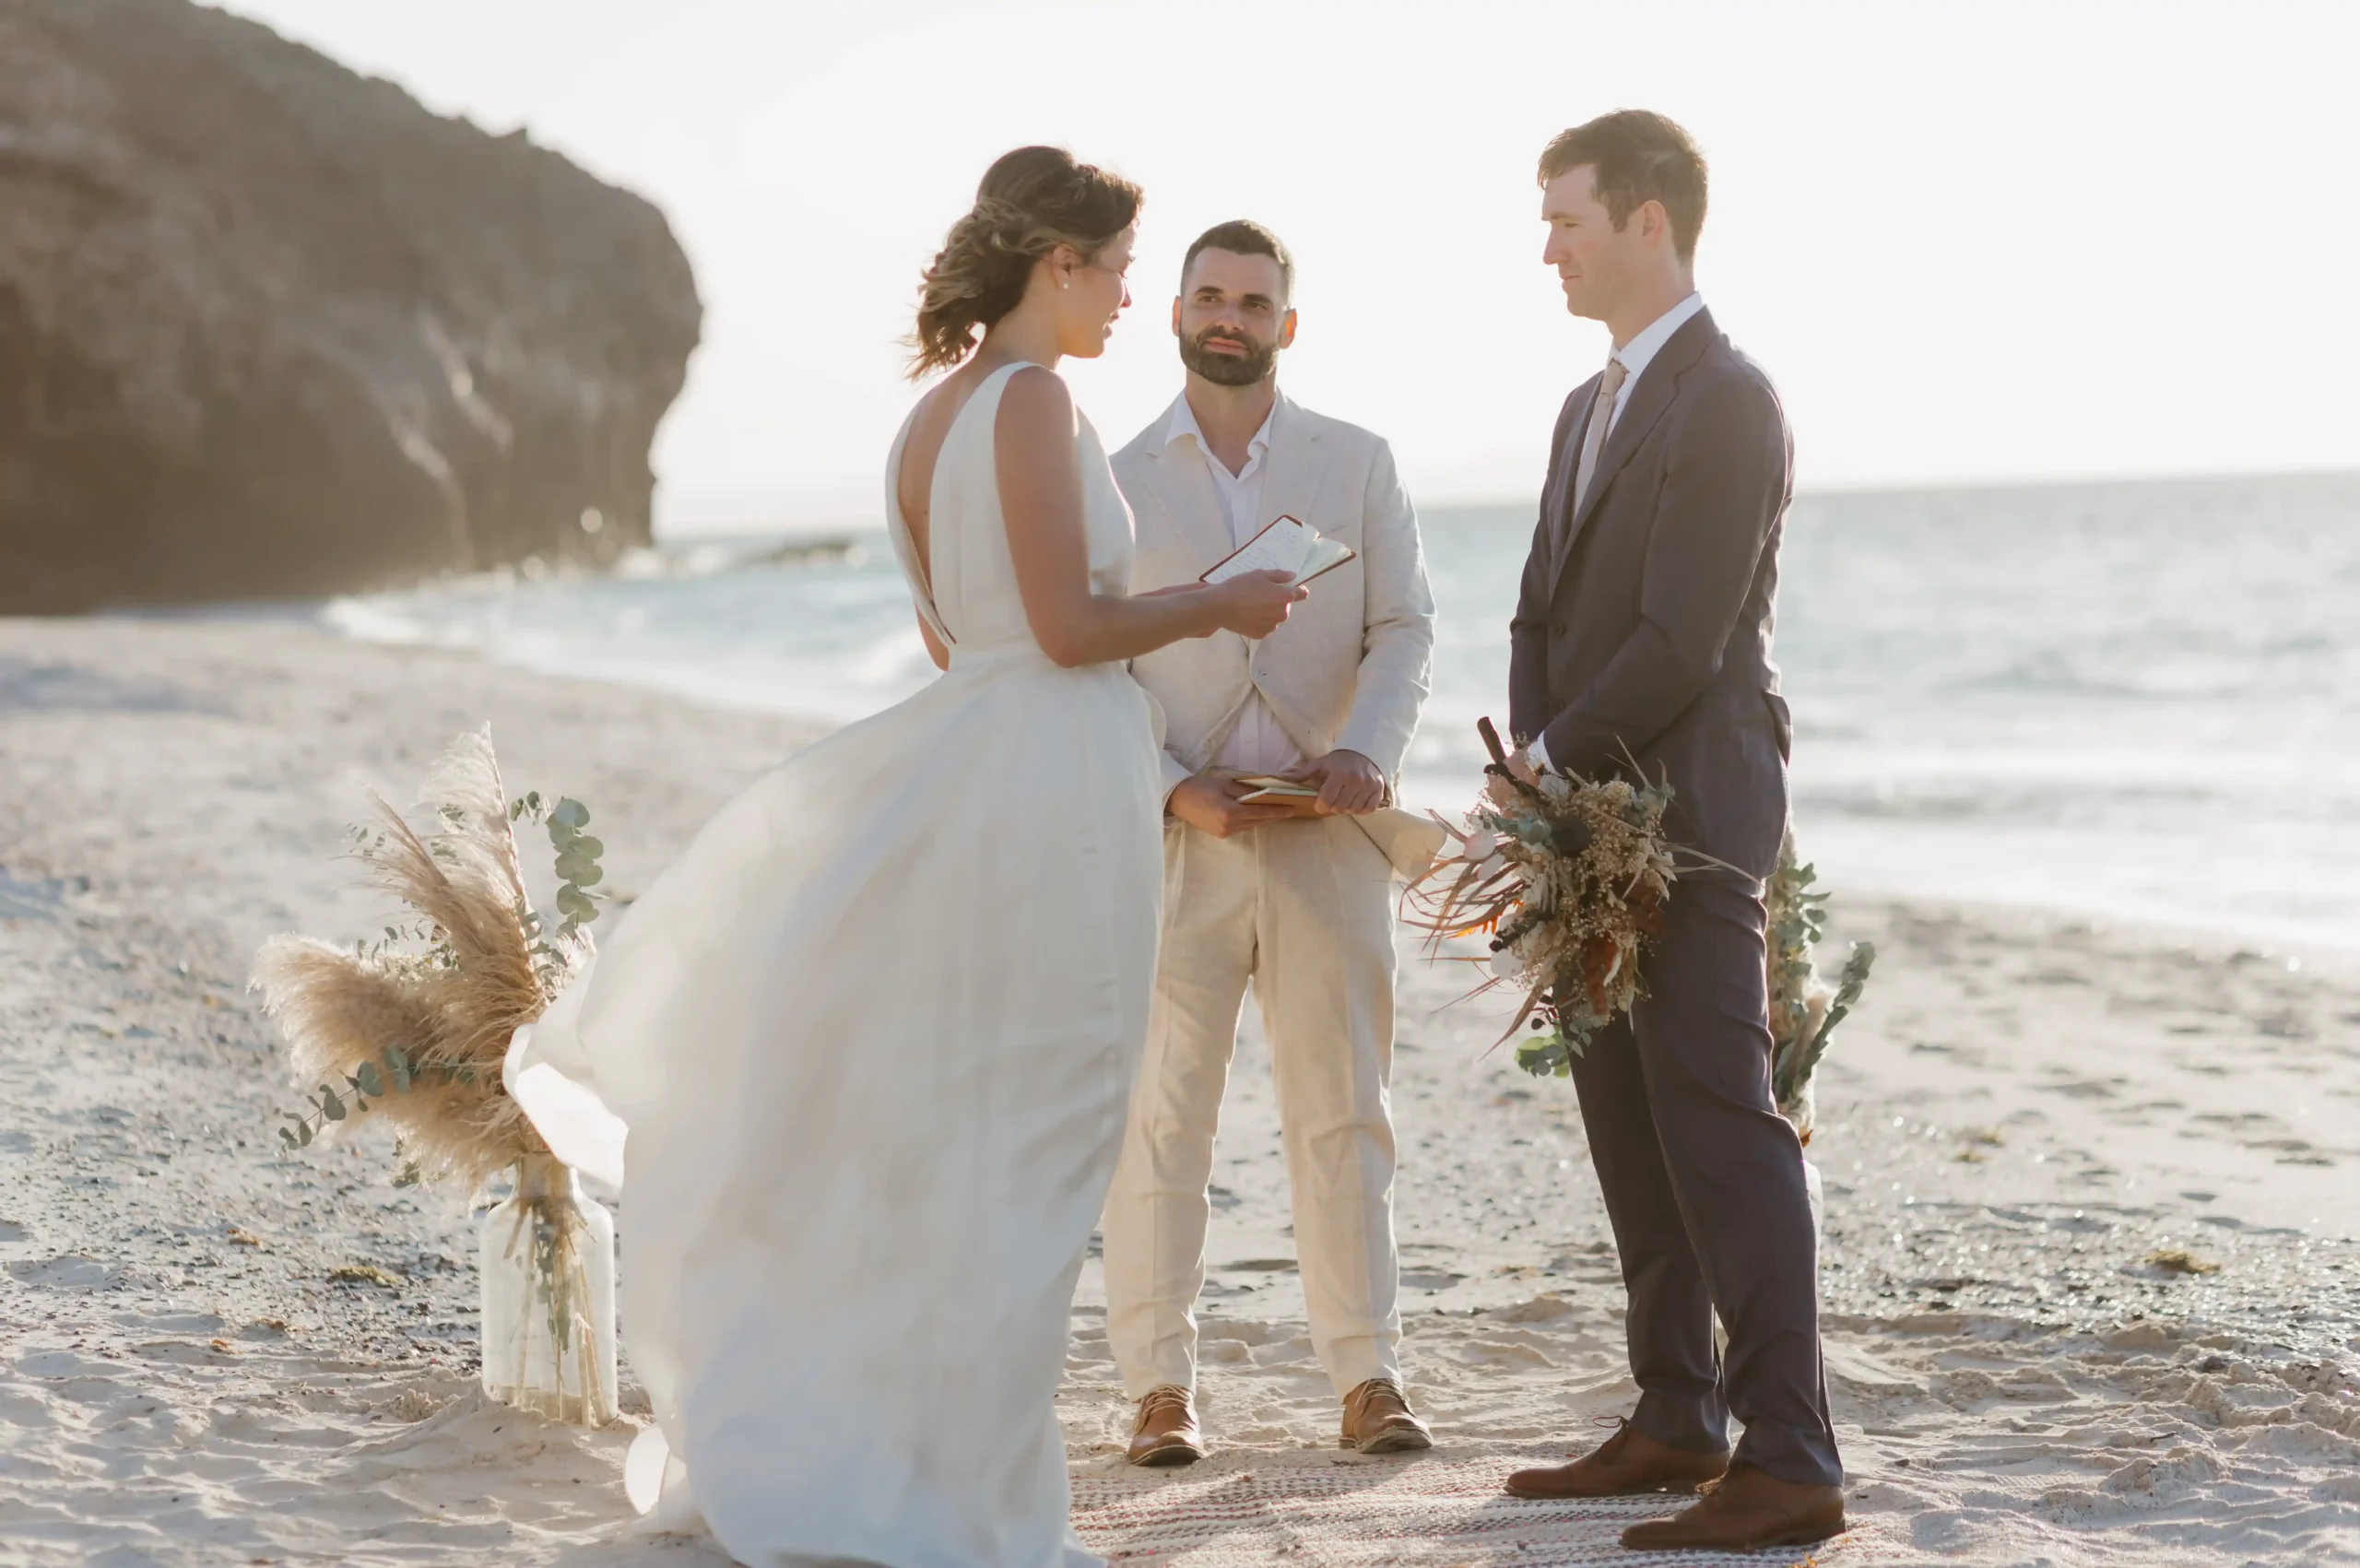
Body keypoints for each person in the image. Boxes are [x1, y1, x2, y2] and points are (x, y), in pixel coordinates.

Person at [502, 147, 1304, 1568]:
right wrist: (1219, 601)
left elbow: (960, 636)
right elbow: (1062, 631)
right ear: (1056, 261)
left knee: (967, 1133)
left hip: (980, 766)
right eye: (1118, 265)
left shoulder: (927, 421)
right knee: (1042, 1140)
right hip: (1050, 790)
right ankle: (973, 1506)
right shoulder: (1035, 400)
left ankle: (908, 1460)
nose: (1131, 293)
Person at [1497, 111, 1847, 1551]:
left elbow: (1683, 638)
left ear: (1650, 221)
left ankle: (1792, 1456)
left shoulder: (1730, 396)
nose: (1550, 246)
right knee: (1624, 1114)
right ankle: (1675, 1412)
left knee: (1718, 1115)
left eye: (1568, 217)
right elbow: (1540, 609)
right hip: (1580, 814)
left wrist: (1547, 762)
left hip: (1692, 806)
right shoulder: (1587, 408)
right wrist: (1534, 780)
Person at [1102, 221, 1439, 1465]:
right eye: (1210, 296)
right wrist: (1169, 787)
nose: (1230, 316)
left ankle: (1369, 1378)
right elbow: (1090, 665)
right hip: (1177, 837)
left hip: (1326, 826)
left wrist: (1373, 751)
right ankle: (1157, 1388)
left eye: (1254, 300)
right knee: (1161, 1115)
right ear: (1177, 315)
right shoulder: (1117, 472)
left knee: (1344, 1107)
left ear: (1287, 324)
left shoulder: (1356, 459)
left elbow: (1405, 623)